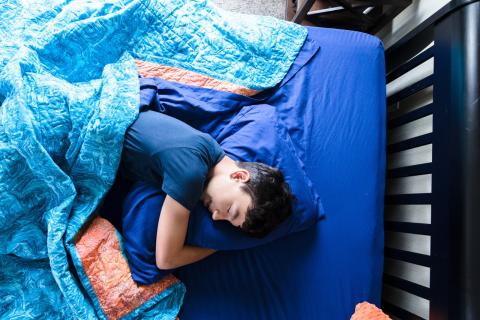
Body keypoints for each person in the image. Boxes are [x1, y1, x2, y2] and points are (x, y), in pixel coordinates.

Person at [119, 110, 294, 271]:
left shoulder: (209, 146)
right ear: (239, 176)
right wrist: (217, 247)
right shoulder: (190, 176)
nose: (216, 217)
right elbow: (166, 260)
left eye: (226, 220)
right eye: (230, 211)